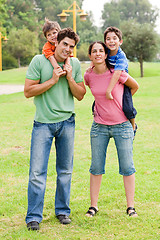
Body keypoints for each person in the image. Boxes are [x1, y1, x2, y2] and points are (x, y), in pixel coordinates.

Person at [24, 27, 86, 230]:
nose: (68, 49)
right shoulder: (39, 61)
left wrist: (68, 77)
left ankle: (62, 211)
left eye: (71, 46)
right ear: (56, 43)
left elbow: (80, 94)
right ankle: (33, 216)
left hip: (67, 123)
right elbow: (28, 91)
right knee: (36, 173)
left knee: (65, 171)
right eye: (65, 44)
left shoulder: (74, 64)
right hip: (43, 124)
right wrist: (52, 80)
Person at [84, 41, 139, 218]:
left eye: (101, 50)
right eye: (94, 51)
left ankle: (131, 207)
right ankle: (93, 206)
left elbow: (135, 86)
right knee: (96, 167)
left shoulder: (116, 73)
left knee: (127, 167)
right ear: (90, 55)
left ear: (106, 54)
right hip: (99, 127)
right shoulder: (89, 75)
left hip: (122, 125)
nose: (98, 53)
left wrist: (123, 102)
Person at [104, 26, 137, 134]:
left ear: (120, 41)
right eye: (108, 39)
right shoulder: (106, 52)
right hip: (110, 80)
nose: (111, 41)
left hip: (123, 83)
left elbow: (117, 73)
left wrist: (109, 91)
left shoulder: (121, 55)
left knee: (127, 107)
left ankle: (133, 125)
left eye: (114, 38)